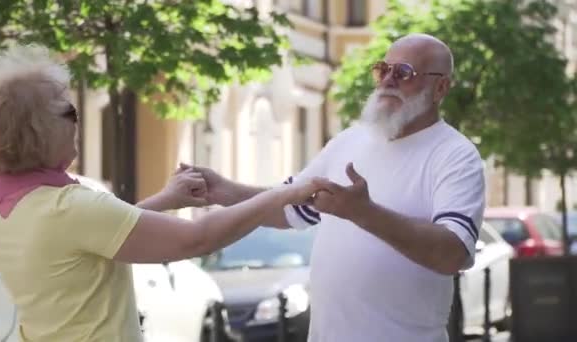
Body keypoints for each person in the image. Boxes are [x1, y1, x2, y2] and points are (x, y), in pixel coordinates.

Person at [0, 44, 323, 342]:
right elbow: (196, 239)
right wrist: (280, 197)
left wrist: (167, 199)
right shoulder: (67, 208)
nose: (75, 120)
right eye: (68, 110)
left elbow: (94, 238)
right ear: (39, 132)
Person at [184, 33, 486, 342]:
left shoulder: (455, 155)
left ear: (441, 87)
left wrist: (363, 213)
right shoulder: (350, 141)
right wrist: (224, 191)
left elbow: (453, 253)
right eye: (383, 69)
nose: (388, 81)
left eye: (404, 72)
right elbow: (289, 206)